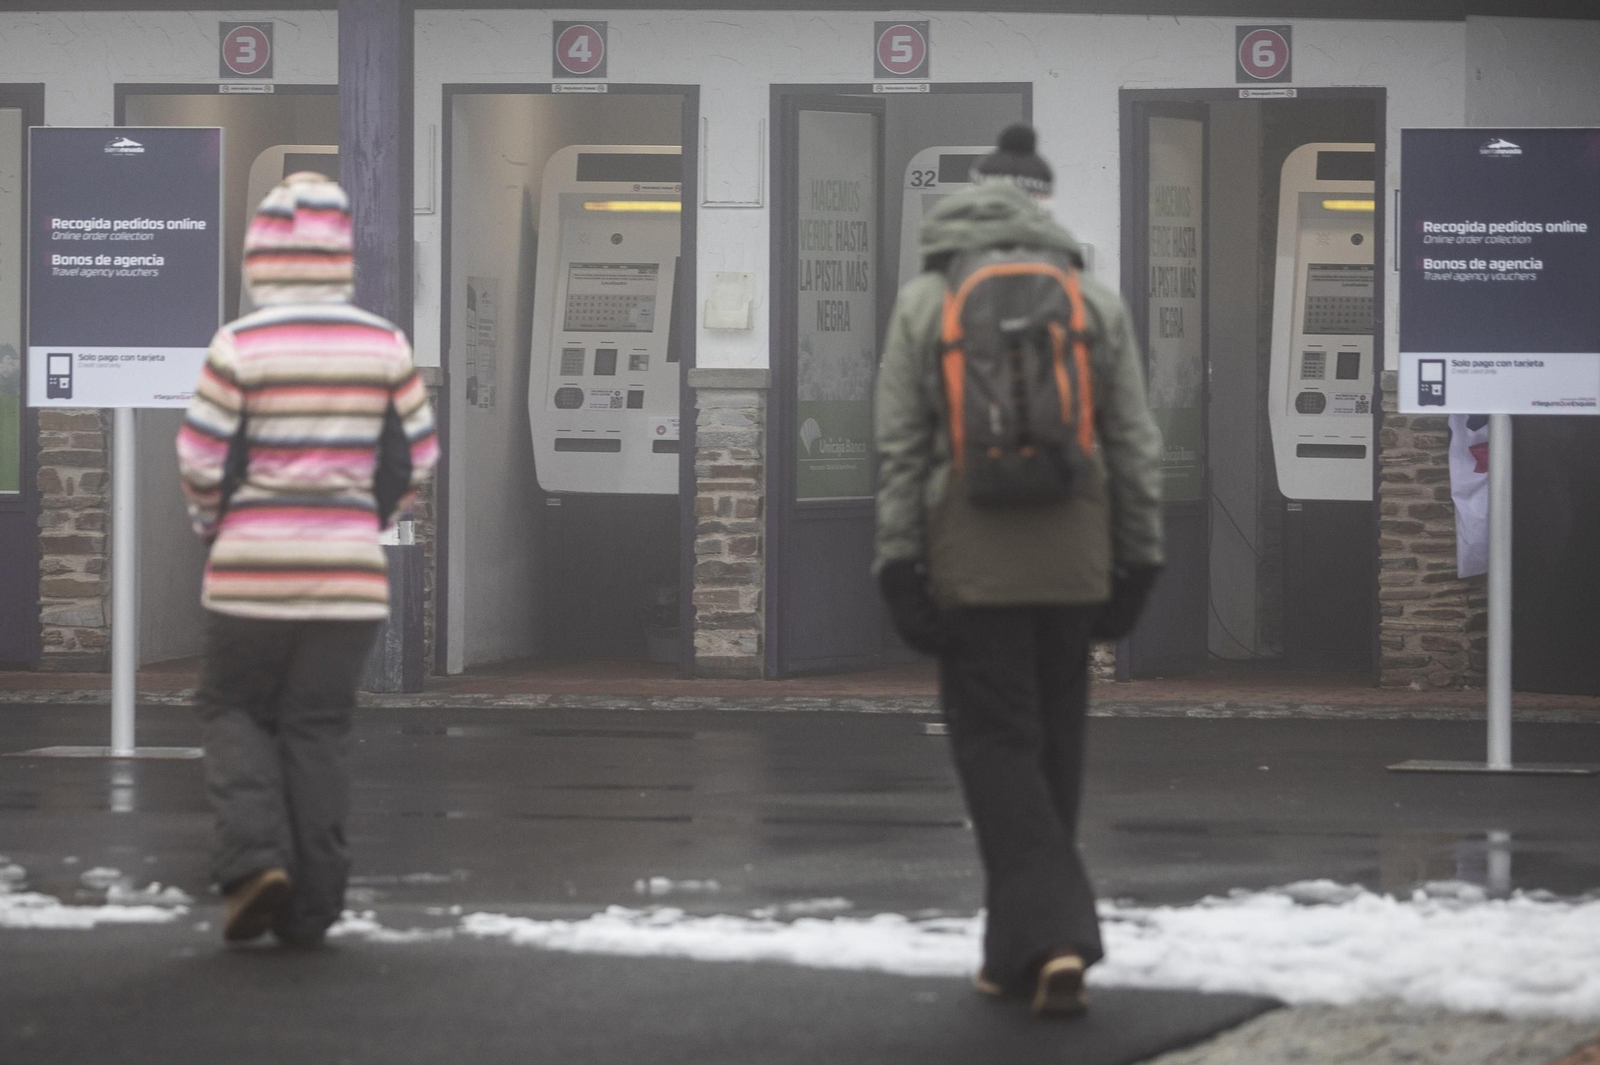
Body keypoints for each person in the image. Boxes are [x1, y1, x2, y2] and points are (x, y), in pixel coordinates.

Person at [873, 124, 1163, 1016]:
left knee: (997, 748)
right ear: (1041, 203)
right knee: (1055, 751)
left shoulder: (927, 298)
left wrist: (898, 560)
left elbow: (899, 446)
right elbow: (1135, 444)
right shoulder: (1091, 300)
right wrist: (1140, 555)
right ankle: (1015, 957)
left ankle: (1058, 933)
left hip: (972, 561)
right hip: (1076, 562)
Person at [177, 173, 438, 947]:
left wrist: (214, 525)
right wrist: (367, 516)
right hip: (349, 573)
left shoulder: (239, 344)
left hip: (249, 568)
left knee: (234, 709)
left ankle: (255, 859)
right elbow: (417, 454)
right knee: (317, 728)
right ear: (338, 256)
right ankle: (315, 903)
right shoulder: (384, 343)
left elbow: (199, 453)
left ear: (261, 254)